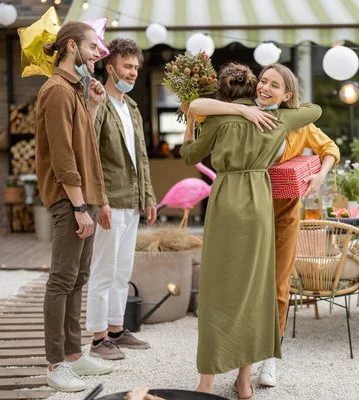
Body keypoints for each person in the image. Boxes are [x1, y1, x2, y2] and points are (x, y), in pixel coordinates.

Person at [189, 63, 340, 388]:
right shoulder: (248, 115)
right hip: (255, 202)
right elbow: (200, 109)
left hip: (283, 208)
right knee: (243, 283)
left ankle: (268, 356)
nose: (265, 87)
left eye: (275, 84)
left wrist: (320, 173)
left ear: (287, 94)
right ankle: (241, 368)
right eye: (264, 81)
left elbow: (329, 148)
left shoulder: (295, 122)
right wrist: (242, 112)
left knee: (277, 283)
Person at [36, 21, 112, 392]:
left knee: (78, 278)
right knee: (62, 279)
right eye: (92, 46)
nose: (98, 52)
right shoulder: (56, 91)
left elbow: (84, 146)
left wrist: (94, 106)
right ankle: (55, 363)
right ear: (70, 47)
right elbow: (63, 157)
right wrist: (80, 207)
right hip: (72, 201)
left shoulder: (75, 92)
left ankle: (72, 354)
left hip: (86, 198)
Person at [86, 38, 157, 360]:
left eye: (136, 68)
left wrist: (149, 197)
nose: (132, 73)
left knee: (122, 269)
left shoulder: (131, 107)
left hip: (131, 200)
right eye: (127, 67)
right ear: (110, 67)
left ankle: (116, 329)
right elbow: (90, 153)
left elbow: (140, 156)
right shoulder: (99, 103)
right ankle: (99, 339)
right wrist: (99, 201)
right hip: (109, 199)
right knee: (103, 270)